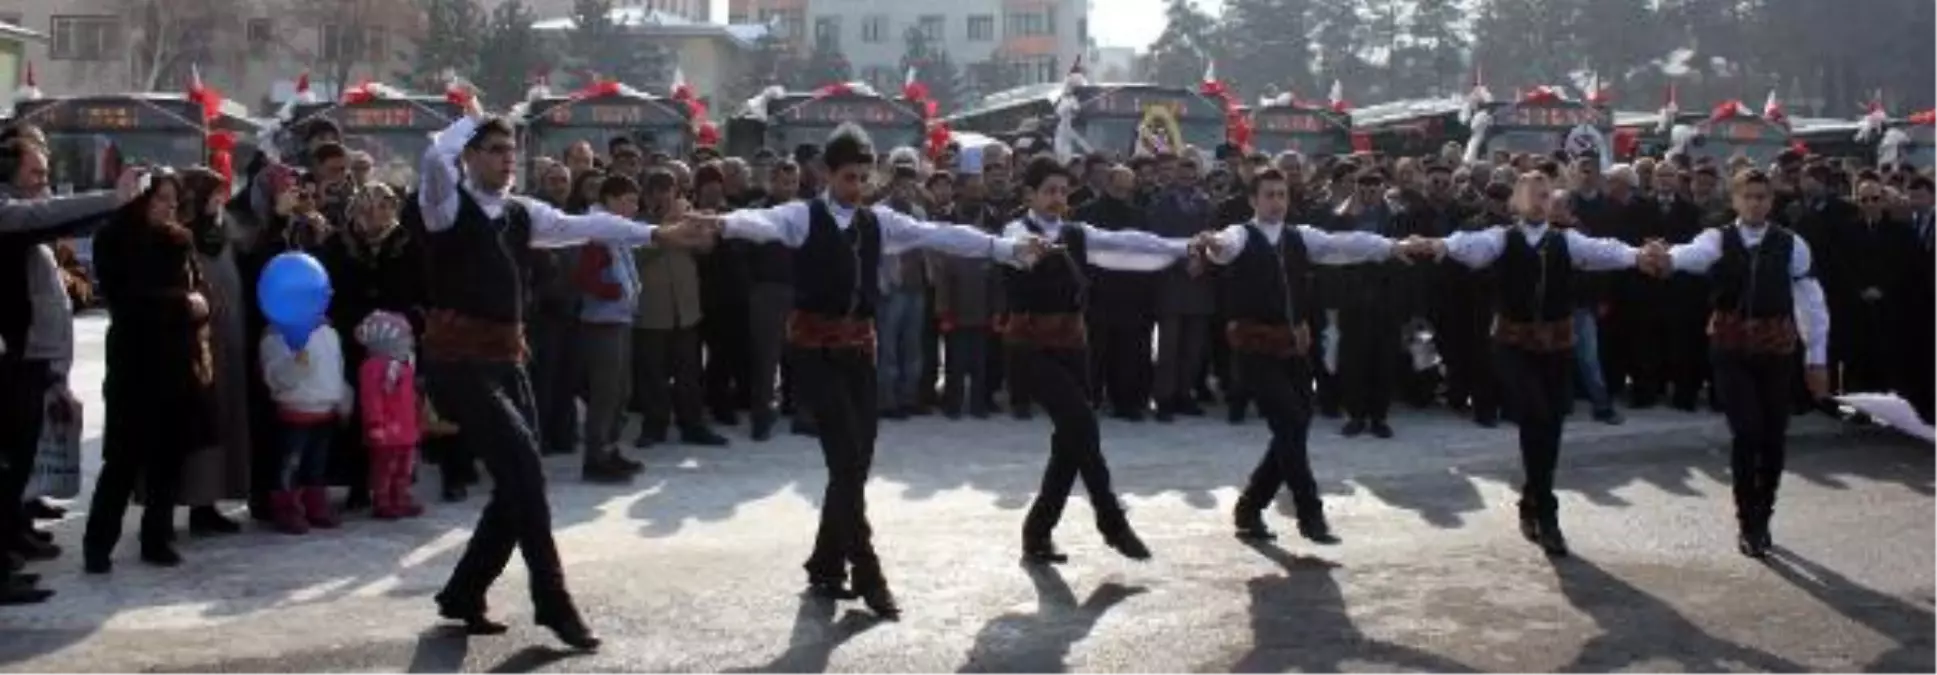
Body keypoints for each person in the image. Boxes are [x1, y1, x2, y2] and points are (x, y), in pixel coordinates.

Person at [694, 123, 1049, 620]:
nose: (856, 187)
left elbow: (939, 234)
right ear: (826, 174)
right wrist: (720, 222)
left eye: (863, 177)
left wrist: (1006, 248)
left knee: (856, 464)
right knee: (845, 461)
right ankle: (868, 572)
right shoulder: (802, 216)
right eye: (848, 177)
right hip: (814, 352)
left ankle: (823, 564)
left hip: (861, 351)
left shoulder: (878, 222)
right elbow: (763, 222)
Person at [413, 90, 713, 649]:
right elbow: (434, 158)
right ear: (471, 157)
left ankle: (463, 591)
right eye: (495, 149)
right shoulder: (445, 205)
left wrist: (658, 233)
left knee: (520, 482)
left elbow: (592, 226)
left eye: (511, 150)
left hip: (506, 359)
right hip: (458, 363)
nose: (506, 159)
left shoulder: (524, 214)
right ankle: (553, 601)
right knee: (524, 469)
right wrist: (476, 116)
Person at [1416, 174, 1663, 557]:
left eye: (1546, 196)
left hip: (1556, 347)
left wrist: (1638, 256)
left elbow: (1604, 251)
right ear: (1515, 201)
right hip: (1513, 346)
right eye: (1531, 195)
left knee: (1551, 425)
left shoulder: (1566, 240)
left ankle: (1533, 498)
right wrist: (1438, 245)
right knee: (1535, 413)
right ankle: (1547, 513)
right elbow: (1468, 246)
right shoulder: (1501, 238)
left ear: (1553, 203)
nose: (1538, 202)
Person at [1193, 168, 1432, 544]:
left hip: (1294, 348)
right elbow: (1224, 247)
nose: (1277, 202)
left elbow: (1346, 242)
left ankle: (1250, 507)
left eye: (1282, 195)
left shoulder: (1300, 237)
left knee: (1296, 425)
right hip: (1254, 349)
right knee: (1290, 421)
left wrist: (1391, 247)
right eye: (1269, 195)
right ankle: (1310, 514)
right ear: (1253, 200)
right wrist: (1214, 245)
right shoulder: (1242, 234)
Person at [998, 156, 1196, 564]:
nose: (1057, 198)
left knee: (1070, 441)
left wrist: (1186, 245)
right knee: (1083, 426)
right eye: (1049, 191)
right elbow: (1013, 251)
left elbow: (1132, 242)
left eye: (1062, 191)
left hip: (1073, 345)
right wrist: (1028, 251)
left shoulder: (1076, 232)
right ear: (1029, 195)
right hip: (1031, 348)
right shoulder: (1016, 230)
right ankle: (1112, 520)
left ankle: (1037, 533)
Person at [1662, 169, 1830, 559]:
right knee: (1747, 431)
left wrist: (1817, 358)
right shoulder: (1718, 238)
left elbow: (1812, 303)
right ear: (1735, 200)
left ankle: (1763, 514)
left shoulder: (1792, 244)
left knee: (1773, 436)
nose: (1756, 203)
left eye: (1762, 197)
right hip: (1731, 344)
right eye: (1748, 196)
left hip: (1776, 345)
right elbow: (1690, 255)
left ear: (1771, 201)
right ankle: (1746, 520)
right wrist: (1664, 258)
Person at [84, 171, 214, 574]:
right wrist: (183, 304)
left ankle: (156, 537)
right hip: (135, 363)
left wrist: (201, 304)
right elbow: (126, 299)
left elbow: (200, 288)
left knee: (168, 458)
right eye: (161, 199)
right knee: (123, 459)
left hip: (179, 360)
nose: (169, 208)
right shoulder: (114, 238)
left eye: (174, 201)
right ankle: (98, 544)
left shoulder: (179, 239)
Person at [574, 175, 649, 482]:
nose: (634, 207)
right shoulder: (596, 231)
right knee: (605, 393)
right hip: (602, 321)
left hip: (621, 318)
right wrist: (613, 291)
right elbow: (584, 277)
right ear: (611, 200)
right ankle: (595, 457)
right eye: (629, 200)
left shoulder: (617, 231)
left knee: (620, 391)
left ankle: (610, 448)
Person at [260, 312, 353, 534]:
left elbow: (337, 368)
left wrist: (343, 398)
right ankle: (287, 508)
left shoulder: (329, 332)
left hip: (325, 410)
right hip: (294, 410)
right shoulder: (276, 335)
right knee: (290, 464)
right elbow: (274, 376)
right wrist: (296, 364)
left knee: (316, 464)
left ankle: (315, 503)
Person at [355, 310, 426, 519]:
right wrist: (375, 423)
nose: (409, 342)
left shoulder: (403, 366)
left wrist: (417, 419)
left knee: (404, 467)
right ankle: (382, 501)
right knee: (384, 467)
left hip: (405, 427)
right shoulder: (374, 366)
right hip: (386, 429)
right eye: (405, 337)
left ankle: (400, 497)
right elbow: (371, 398)